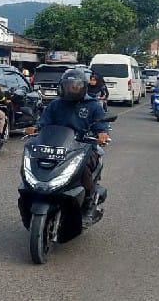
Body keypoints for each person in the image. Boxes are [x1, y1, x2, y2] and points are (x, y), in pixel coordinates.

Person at [25, 69, 111, 216]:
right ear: (62, 86)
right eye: (69, 86)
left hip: (83, 146)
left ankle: (88, 201)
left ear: (83, 87)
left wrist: (102, 133)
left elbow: (101, 124)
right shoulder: (55, 105)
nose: (73, 88)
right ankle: (34, 193)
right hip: (57, 146)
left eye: (76, 86)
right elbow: (44, 121)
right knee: (36, 163)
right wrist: (35, 128)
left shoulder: (93, 105)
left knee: (83, 169)